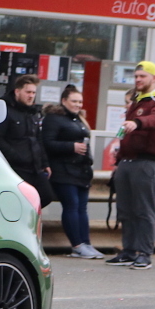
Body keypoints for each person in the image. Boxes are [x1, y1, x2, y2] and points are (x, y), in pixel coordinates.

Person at [106, 61, 155, 269]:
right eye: (136, 76)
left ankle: (144, 252)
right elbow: (124, 130)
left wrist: (138, 123)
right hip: (127, 160)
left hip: (147, 162)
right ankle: (128, 250)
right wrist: (118, 158)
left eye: (142, 76)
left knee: (144, 210)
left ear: (154, 78)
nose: (137, 80)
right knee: (125, 208)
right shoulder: (137, 100)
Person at [42, 85, 100, 259]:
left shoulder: (78, 119)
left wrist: (88, 160)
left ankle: (86, 243)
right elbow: (46, 143)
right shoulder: (53, 118)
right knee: (72, 205)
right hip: (63, 170)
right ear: (64, 101)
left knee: (82, 208)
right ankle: (77, 244)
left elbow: (86, 142)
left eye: (80, 101)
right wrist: (71, 146)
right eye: (74, 101)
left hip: (81, 170)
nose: (77, 104)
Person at [0, 75, 54, 208]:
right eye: (28, 92)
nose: (31, 96)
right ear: (17, 91)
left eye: (33, 92)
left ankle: (25, 216)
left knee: (46, 196)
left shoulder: (33, 113)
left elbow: (38, 139)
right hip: (16, 167)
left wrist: (44, 162)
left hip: (35, 167)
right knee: (19, 200)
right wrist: (15, 156)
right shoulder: (5, 110)